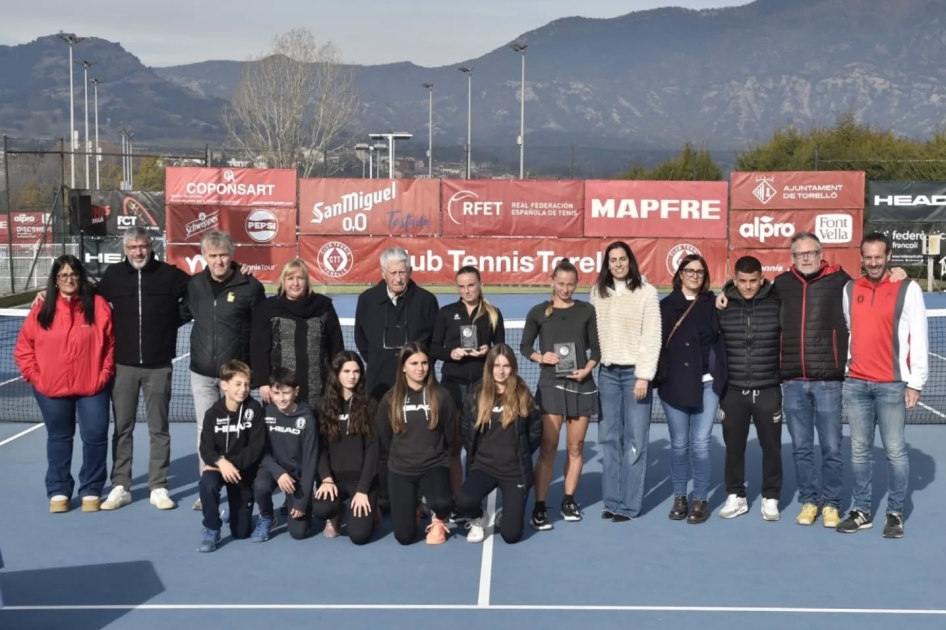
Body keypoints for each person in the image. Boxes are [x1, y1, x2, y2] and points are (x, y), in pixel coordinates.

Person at [716, 233, 908, 528]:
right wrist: (724, 291)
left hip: (828, 379)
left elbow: (871, 279)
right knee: (802, 447)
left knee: (831, 447)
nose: (805, 258)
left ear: (821, 253)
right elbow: (747, 288)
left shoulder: (841, 281)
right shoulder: (781, 285)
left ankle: (831, 504)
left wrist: (897, 272)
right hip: (792, 380)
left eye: (811, 252)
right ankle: (809, 500)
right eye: (799, 254)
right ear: (792, 257)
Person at [30, 228, 190, 511]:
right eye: (132, 247)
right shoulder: (113, 276)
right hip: (123, 366)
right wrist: (47, 291)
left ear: (150, 246)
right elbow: (78, 292)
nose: (138, 252)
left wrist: (171, 320)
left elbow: (198, 291)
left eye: (142, 246)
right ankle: (120, 485)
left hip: (159, 365)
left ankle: (159, 486)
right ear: (125, 248)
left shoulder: (170, 274)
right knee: (122, 429)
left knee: (159, 429)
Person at [838, 232, 928, 538]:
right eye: (868, 257)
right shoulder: (850, 289)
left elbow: (918, 334)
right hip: (856, 385)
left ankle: (895, 513)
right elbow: (852, 328)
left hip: (892, 386)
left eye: (879, 257)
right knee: (860, 452)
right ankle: (862, 510)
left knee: (895, 451)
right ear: (861, 258)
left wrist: (915, 382)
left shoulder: (908, 288)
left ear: (888, 256)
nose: (873, 262)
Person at [15, 255, 114, 513]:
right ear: (56, 280)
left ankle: (91, 489)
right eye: (63, 275)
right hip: (51, 390)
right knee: (59, 438)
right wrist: (36, 377)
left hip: (93, 387)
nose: (69, 279)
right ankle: (59, 490)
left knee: (95, 437)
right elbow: (24, 348)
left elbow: (111, 344)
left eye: (74, 274)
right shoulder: (42, 308)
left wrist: (103, 373)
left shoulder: (99, 306)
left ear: (81, 277)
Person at [184, 230, 265, 510]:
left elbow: (261, 331)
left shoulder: (250, 286)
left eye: (223, 255)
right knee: (205, 431)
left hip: (237, 377)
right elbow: (180, 314)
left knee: (241, 431)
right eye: (213, 255)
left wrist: (258, 374)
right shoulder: (194, 285)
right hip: (202, 373)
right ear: (204, 256)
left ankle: (243, 487)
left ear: (232, 255)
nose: (218, 260)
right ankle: (207, 489)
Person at [354, 246, 438, 513]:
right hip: (379, 384)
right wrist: (381, 362)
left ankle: (420, 497)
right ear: (383, 273)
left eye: (403, 272)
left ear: (410, 271)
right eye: (394, 273)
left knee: (417, 441)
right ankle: (383, 497)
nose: (399, 278)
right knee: (381, 442)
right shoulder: (367, 299)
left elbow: (433, 343)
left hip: (417, 388)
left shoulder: (426, 300)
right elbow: (361, 340)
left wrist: (416, 372)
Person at [520, 259, 600, 530]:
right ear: (551, 281)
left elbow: (596, 351)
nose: (565, 289)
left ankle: (568, 500)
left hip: (581, 385)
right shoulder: (538, 312)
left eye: (570, 284)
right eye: (561, 283)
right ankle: (540, 507)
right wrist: (542, 357)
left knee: (575, 448)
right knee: (549, 448)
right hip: (550, 384)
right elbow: (524, 346)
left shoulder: (587, 310)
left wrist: (586, 370)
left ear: (577, 284)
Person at [589, 241, 661, 522]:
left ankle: (629, 506)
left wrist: (643, 375)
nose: (618, 264)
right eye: (613, 260)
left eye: (622, 259)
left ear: (630, 261)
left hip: (635, 376)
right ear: (607, 264)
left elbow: (652, 336)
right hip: (607, 374)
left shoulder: (647, 293)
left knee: (635, 441)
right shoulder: (598, 293)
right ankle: (612, 501)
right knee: (608, 440)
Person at [655, 254, 725, 524]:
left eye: (700, 271)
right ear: (680, 274)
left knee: (700, 444)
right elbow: (655, 343)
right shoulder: (664, 306)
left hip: (707, 384)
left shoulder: (713, 303)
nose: (695, 275)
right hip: (674, 385)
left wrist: (724, 296)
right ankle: (679, 497)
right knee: (679, 444)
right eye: (690, 271)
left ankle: (701, 500)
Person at [716, 256, 783, 521]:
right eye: (742, 281)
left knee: (772, 447)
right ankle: (736, 496)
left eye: (753, 281)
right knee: (733, 447)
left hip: (768, 387)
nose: (747, 286)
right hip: (732, 389)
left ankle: (771, 497)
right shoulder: (722, 305)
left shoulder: (777, 301)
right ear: (734, 279)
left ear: (762, 278)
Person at [430, 265, 506, 498]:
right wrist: (450, 353)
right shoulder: (446, 313)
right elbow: (433, 347)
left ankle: (472, 498)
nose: (467, 290)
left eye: (471, 285)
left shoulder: (493, 313)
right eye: (462, 286)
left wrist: (488, 350)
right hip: (453, 385)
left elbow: (502, 350)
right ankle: (456, 497)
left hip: (484, 386)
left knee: (477, 445)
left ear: (480, 283)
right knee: (453, 445)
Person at [456, 344, 542, 544]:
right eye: (496, 365)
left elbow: (535, 432)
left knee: (511, 535)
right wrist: (477, 456)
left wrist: (519, 453)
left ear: (513, 368)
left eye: (506, 366)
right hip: (484, 467)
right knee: (462, 502)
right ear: (489, 367)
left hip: (514, 471)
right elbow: (466, 431)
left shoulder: (524, 395)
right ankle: (479, 518)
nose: (501, 371)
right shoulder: (476, 394)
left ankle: (509, 513)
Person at [376, 342, 456, 545]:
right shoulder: (390, 399)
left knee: (442, 503)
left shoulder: (441, 395)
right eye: (413, 363)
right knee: (404, 537)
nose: (420, 368)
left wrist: (433, 452)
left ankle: (438, 519)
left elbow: (449, 434)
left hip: (433, 465)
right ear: (403, 366)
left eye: (424, 363)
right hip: (401, 470)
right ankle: (414, 505)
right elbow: (385, 437)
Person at [251, 258, 344, 411]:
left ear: (307, 281)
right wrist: (262, 383)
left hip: (319, 388)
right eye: (290, 278)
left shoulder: (323, 306)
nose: (295, 283)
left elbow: (336, 347)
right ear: (283, 281)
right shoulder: (268, 308)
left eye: (300, 278)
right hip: (280, 390)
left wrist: (337, 381)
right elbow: (259, 349)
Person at [196, 360, 266, 553]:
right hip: (219, 468)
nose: (243, 389)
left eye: (247, 384)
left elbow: (256, 447)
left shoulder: (255, 409)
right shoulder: (212, 414)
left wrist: (229, 464)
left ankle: (231, 514)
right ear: (224, 384)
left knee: (241, 532)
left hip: (243, 471)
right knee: (207, 483)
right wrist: (219, 462)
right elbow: (206, 449)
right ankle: (212, 528)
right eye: (238, 384)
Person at [312, 351, 380, 545]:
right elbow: (319, 448)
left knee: (358, 536)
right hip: (333, 481)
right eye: (347, 371)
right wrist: (325, 478)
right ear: (336, 373)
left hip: (361, 481)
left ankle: (373, 508)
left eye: (357, 371)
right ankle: (336, 511)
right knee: (321, 509)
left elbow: (373, 450)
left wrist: (363, 489)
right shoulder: (323, 406)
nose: (352, 376)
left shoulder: (370, 405)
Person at [252, 367, 318, 542]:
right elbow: (262, 451)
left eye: (286, 393)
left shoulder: (307, 418)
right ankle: (267, 516)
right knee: (260, 486)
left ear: (296, 391)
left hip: (297, 476)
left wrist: (301, 501)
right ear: (270, 393)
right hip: (274, 470)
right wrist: (278, 472)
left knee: (299, 533)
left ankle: (299, 504)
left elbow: (310, 461)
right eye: (276, 393)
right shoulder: (266, 413)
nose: (281, 398)